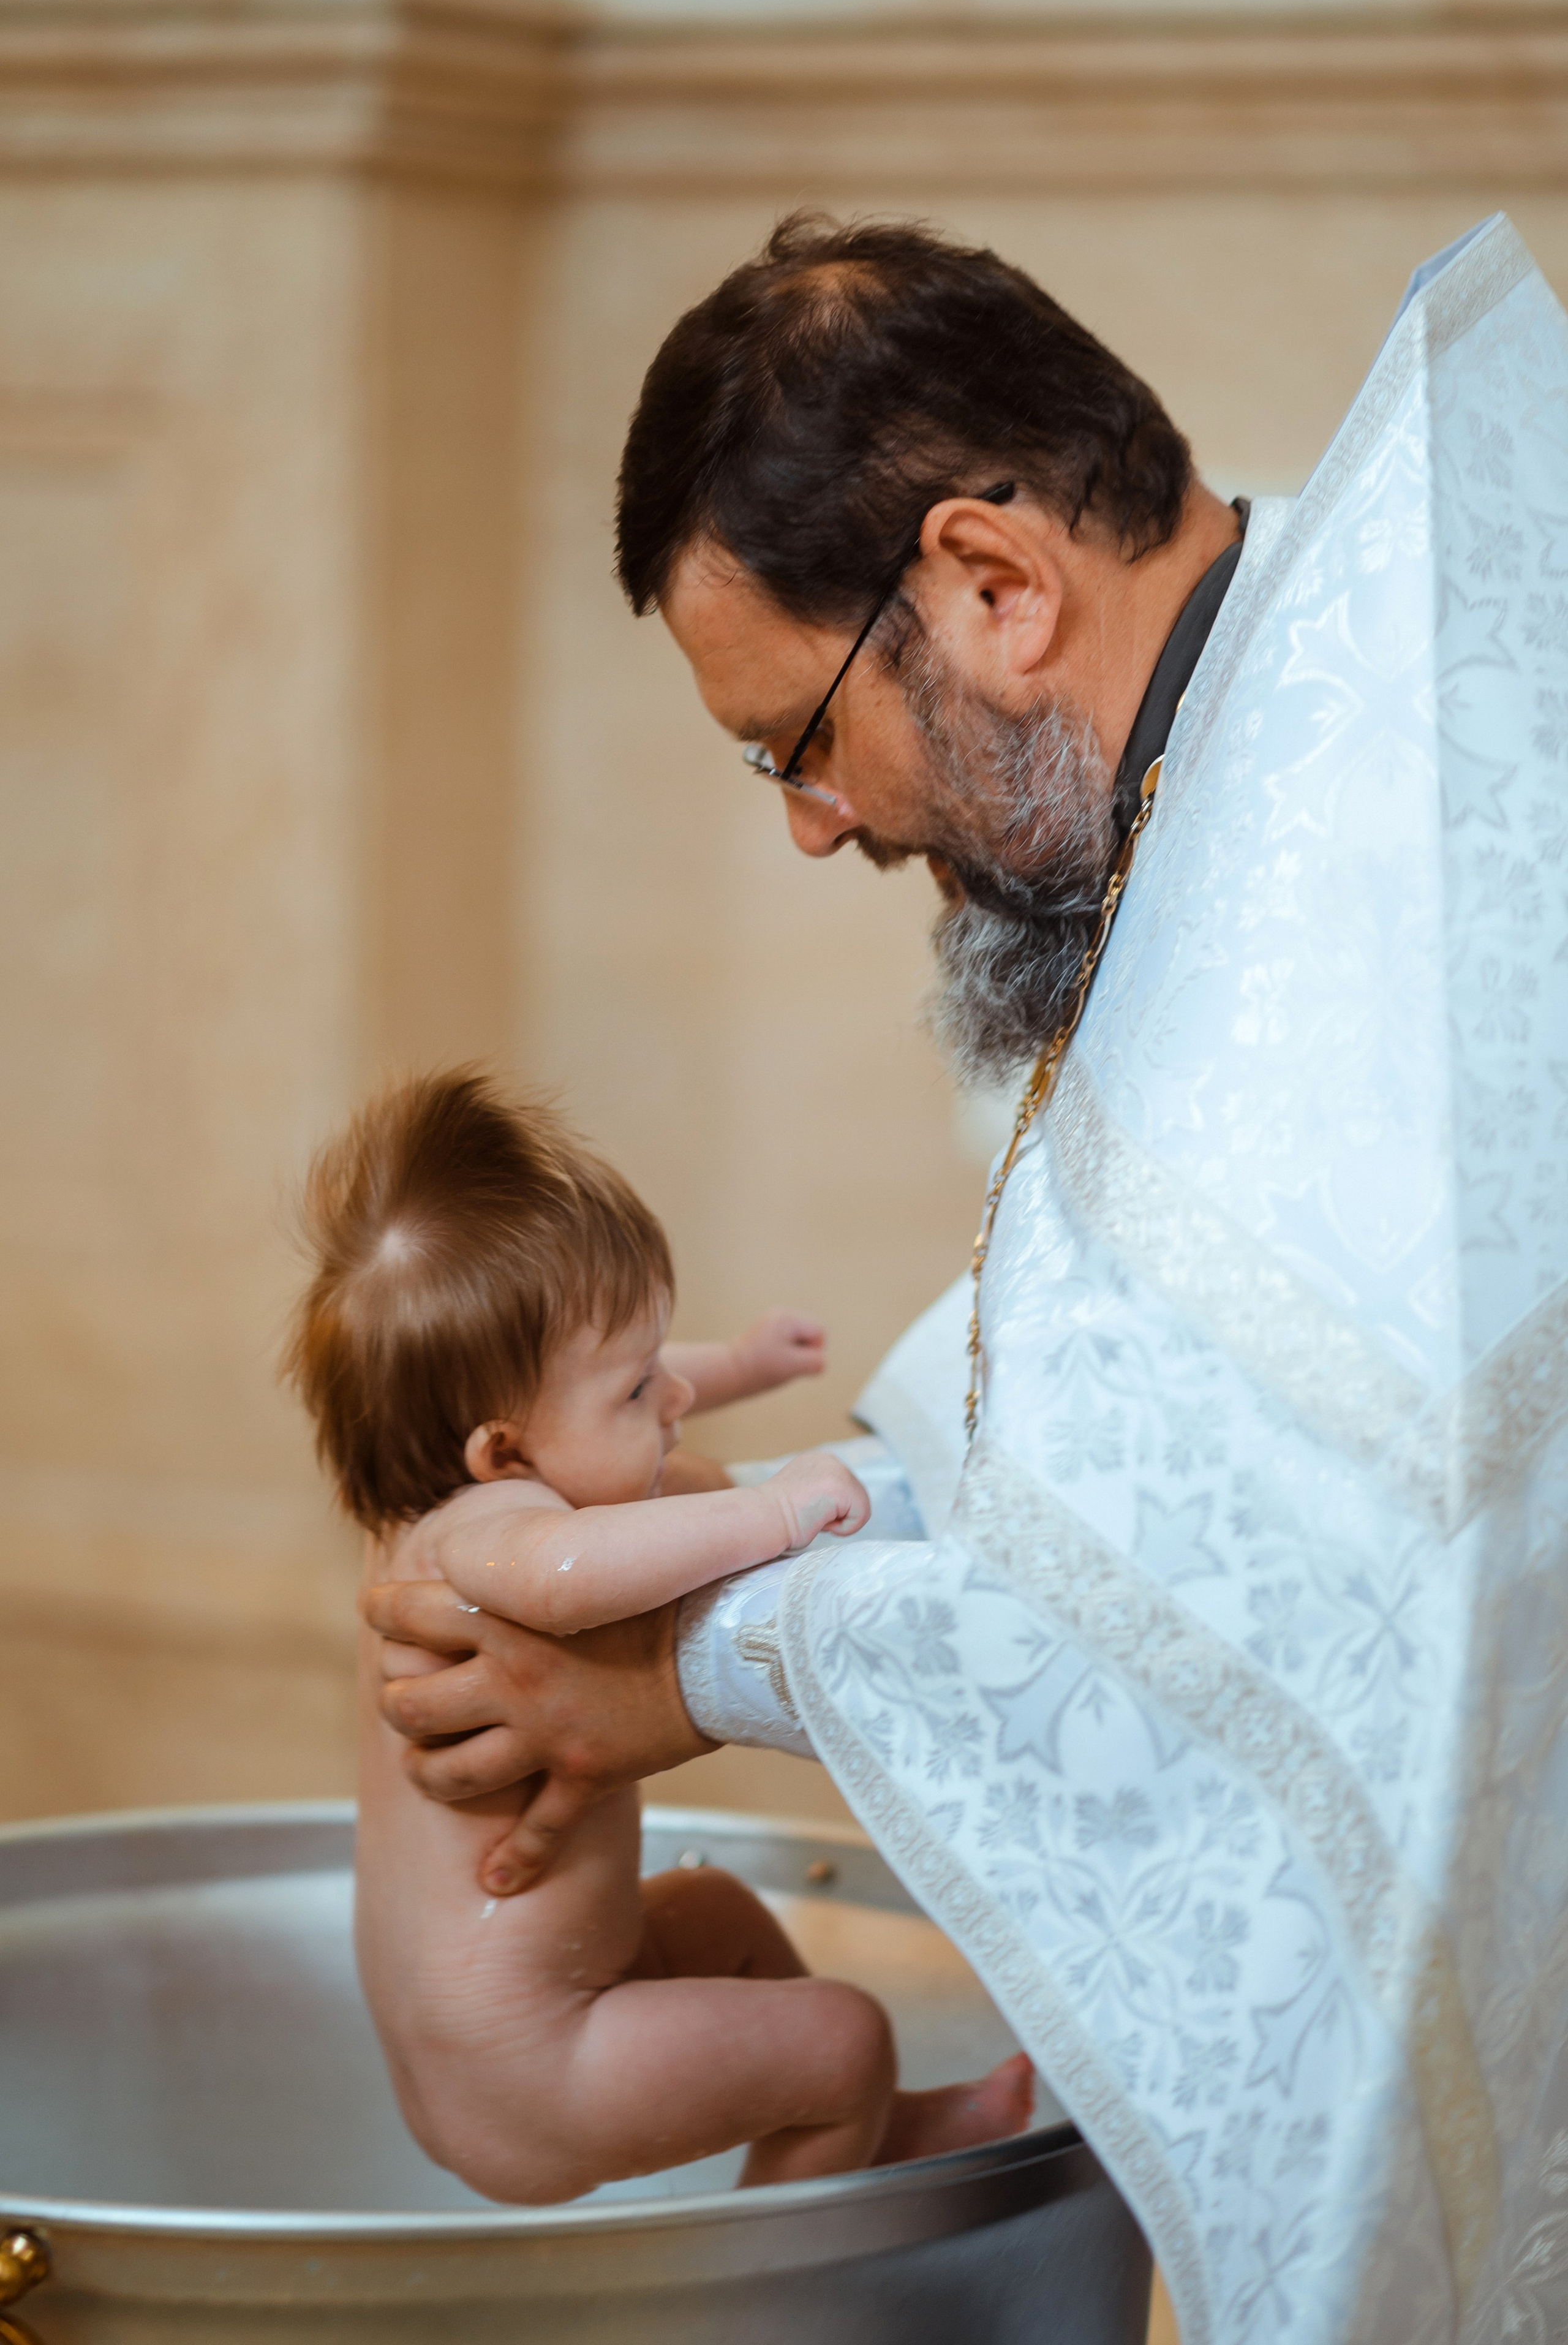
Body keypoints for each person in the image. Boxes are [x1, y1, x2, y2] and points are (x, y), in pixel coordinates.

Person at [363, 215, 1568, 2342]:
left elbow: (1345, 1628)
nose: (816, 826)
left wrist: (685, 1663)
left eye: (798, 739)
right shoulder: (1272, 762)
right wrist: (684, 1552)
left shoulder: (1346, 904)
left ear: (994, 587)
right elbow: (1177, 1451)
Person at [288, 1070, 1030, 2202]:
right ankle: (780, 2296)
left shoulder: (459, 1498)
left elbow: (611, 1397)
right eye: (641, 1388)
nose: (672, 1402)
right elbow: (576, 1573)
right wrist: (770, 1514)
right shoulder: (495, 1536)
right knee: (843, 2038)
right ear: (502, 1453)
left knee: (723, 1918)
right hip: (531, 2065)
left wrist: (740, 1362)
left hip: (518, 2028)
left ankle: (860, 2136)